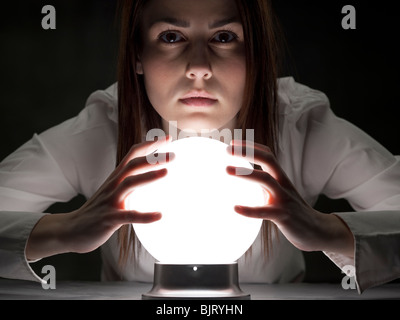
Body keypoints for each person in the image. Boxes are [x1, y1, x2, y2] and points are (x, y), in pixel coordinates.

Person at [1, 0, 399, 294]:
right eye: (171, 37)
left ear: (255, 55)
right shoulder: (105, 126)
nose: (199, 66)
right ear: (138, 55)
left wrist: (327, 230)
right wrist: (65, 230)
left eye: (224, 37)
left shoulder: (299, 123)